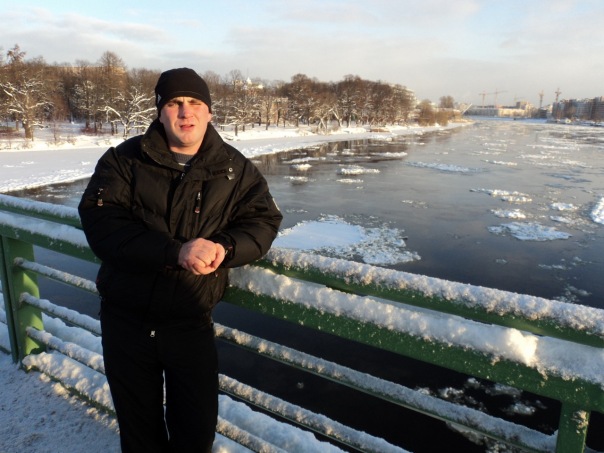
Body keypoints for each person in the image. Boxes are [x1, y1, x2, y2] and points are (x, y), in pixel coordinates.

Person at [78, 67, 283, 452]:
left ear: (209, 112)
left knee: (195, 434)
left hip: (190, 323)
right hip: (126, 321)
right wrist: (175, 251)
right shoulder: (124, 160)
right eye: (174, 103)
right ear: (160, 111)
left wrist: (225, 247)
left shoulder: (235, 169)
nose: (185, 112)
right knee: (140, 435)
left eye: (194, 102)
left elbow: (263, 220)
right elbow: (103, 224)